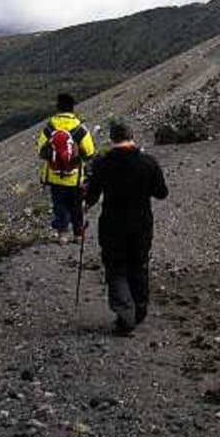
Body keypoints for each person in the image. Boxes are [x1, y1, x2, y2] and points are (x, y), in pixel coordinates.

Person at [84, 118, 168, 336]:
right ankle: (139, 309)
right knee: (138, 265)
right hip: (141, 224)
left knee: (116, 268)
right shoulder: (148, 162)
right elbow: (161, 193)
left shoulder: (103, 163)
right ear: (133, 137)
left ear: (112, 139)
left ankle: (125, 315)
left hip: (112, 224)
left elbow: (91, 195)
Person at [37, 92, 96, 243]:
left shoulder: (49, 128)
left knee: (59, 205)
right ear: (72, 108)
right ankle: (78, 234)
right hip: (74, 177)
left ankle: (63, 234)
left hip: (54, 176)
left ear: (58, 107)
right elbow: (90, 152)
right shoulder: (79, 129)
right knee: (76, 206)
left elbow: (40, 150)